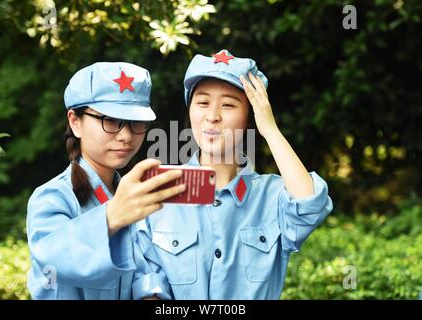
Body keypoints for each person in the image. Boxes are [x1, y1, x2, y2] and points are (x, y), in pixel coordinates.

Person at [132, 50, 333, 299]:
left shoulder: (271, 196)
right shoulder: (161, 191)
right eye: (202, 103)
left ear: (250, 116)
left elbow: (310, 205)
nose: (213, 116)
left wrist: (269, 129)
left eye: (228, 105)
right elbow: (147, 282)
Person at [26, 62, 185, 299]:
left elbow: (147, 271)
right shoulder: (53, 198)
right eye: (110, 120)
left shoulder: (136, 196)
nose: (126, 135)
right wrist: (111, 217)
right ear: (75, 121)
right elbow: (53, 263)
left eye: (137, 123)